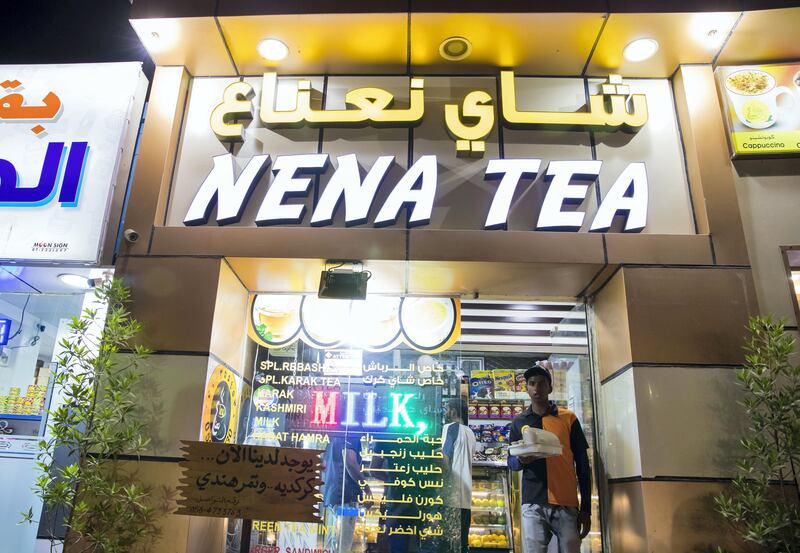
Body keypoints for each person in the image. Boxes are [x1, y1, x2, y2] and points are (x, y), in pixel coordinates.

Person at [508, 365, 592, 553]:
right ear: (527, 388)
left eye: (542, 383)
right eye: (532, 384)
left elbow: (583, 465)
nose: (537, 388)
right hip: (533, 501)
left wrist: (586, 508)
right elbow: (511, 462)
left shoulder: (568, 418)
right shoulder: (519, 422)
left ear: (550, 388)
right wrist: (522, 461)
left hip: (566, 501)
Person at [322, 434, 371, 553]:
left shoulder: (335, 434)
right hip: (346, 498)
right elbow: (350, 462)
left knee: (332, 544)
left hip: (332, 497)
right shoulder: (351, 432)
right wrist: (367, 490)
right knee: (343, 546)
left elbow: (323, 464)